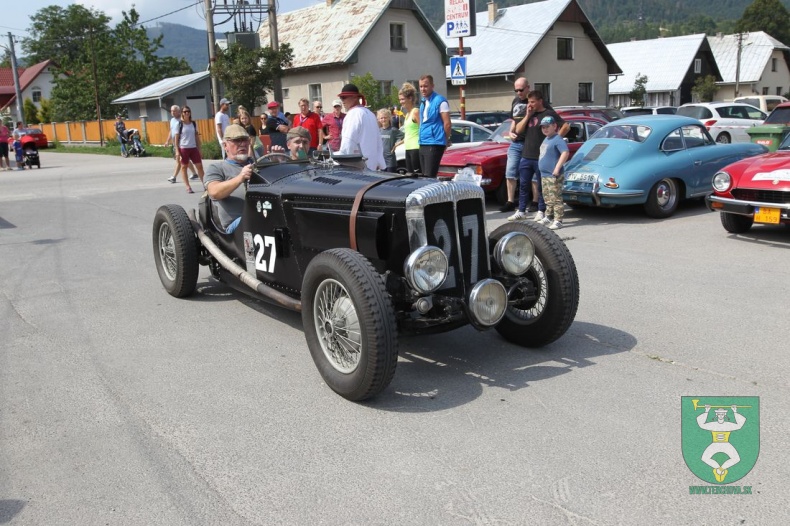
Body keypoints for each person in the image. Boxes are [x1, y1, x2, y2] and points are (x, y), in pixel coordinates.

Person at [509, 90, 565, 222]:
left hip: (540, 157)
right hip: (526, 154)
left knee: (541, 186)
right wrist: (528, 115)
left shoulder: (548, 114)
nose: (530, 104)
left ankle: (541, 211)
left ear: (540, 101)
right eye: (529, 102)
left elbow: (565, 126)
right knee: (523, 184)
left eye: (533, 102)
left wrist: (555, 140)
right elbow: (518, 130)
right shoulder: (528, 113)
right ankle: (521, 210)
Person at [204, 124, 254, 234]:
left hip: (262, 215)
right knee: (256, 220)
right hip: (236, 224)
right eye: (237, 141)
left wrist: (278, 162)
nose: (243, 144)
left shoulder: (257, 163)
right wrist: (240, 177)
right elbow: (214, 192)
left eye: (245, 140)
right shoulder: (217, 168)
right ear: (225, 146)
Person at [500, 77, 531, 213]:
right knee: (510, 172)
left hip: (530, 143)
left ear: (528, 88)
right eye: (516, 90)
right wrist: (511, 132)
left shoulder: (533, 101)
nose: (519, 93)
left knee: (532, 175)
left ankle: (535, 202)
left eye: (521, 90)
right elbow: (513, 119)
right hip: (516, 142)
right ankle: (510, 201)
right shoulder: (516, 101)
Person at [337, 84, 385, 171]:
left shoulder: (353, 114)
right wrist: (380, 162)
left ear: (355, 97)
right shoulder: (370, 114)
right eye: (341, 98)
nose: (342, 101)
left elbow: (348, 142)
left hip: (358, 168)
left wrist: (341, 161)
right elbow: (378, 141)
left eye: (344, 97)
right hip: (372, 166)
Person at [536, 116, 569, 230]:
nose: (545, 129)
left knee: (556, 198)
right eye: (543, 127)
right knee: (547, 197)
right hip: (544, 174)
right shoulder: (546, 139)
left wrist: (557, 168)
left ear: (555, 126)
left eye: (547, 127)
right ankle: (548, 216)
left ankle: (558, 220)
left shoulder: (557, 139)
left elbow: (565, 153)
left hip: (553, 175)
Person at [417, 74, 451, 178]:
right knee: (423, 177)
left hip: (434, 143)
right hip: (423, 142)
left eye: (426, 86)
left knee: (429, 177)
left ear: (432, 86)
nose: (423, 89)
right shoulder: (423, 102)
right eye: (421, 86)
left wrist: (445, 140)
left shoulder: (440, 101)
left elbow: (447, 124)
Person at [174, 105, 205, 193]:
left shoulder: (193, 123)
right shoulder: (179, 124)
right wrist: (177, 151)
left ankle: (205, 185)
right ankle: (188, 186)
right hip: (183, 148)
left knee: (199, 166)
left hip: (193, 148)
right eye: (185, 112)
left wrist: (200, 149)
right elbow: (176, 139)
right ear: (182, 113)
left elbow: (197, 137)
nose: (187, 113)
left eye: (188, 111)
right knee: (184, 167)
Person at [165, 105, 198, 183]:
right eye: (171, 111)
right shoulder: (172, 120)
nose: (172, 112)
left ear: (179, 111)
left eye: (174, 111)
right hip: (175, 143)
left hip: (182, 144)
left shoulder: (182, 120)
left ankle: (174, 177)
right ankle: (194, 173)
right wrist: (167, 141)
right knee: (184, 160)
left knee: (179, 160)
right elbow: (171, 131)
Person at [393, 82, 420, 174]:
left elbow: (423, 130)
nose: (401, 102)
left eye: (403, 99)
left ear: (410, 98)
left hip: (416, 148)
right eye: (400, 100)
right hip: (408, 148)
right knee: (410, 174)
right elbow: (409, 134)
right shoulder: (407, 114)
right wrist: (398, 143)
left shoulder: (415, 112)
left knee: (418, 176)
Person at [377, 108, 403, 172]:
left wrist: (396, 144)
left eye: (385, 117)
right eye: (381, 118)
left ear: (389, 118)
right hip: (381, 161)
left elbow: (405, 137)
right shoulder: (378, 131)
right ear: (379, 119)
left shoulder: (393, 130)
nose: (383, 119)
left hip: (390, 161)